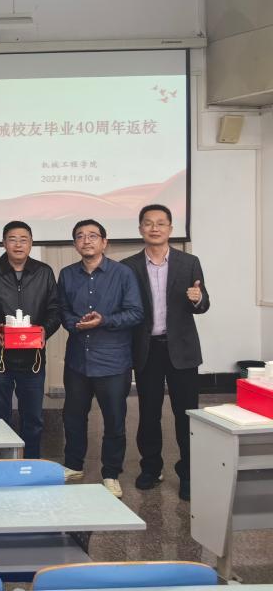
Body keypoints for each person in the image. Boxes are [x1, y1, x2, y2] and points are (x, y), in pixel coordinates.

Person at [123, 204, 210, 501]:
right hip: (147, 349)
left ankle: (188, 474)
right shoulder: (129, 266)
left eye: (161, 223)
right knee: (148, 414)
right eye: (148, 223)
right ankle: (151, 468)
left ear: (171, 229)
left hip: (182, 350)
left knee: (186, 414)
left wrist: (197, 299)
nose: (155, 228)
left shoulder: (189, 262)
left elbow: (203, 303)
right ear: (140, 229)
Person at [57, 220, 144, 498]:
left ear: (104, 242)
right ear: (75, 244)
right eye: (80, 236)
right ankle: (73, 465)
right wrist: (74, 323)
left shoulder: (123, 274)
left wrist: (103, 320)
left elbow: (135, 313)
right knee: (73, 417)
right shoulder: (67, 274)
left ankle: (111, 473)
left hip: (113, 361)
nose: (87, 240)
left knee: (114, 420)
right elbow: (62, 310)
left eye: (93, 236)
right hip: (78, 361)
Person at [0, 221, 60, 458]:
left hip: (33, 359)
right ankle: (2, 463)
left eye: (24, 239)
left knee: (33, 418)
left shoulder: (44, 272)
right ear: (4, 243)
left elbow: (55, 310)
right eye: (13, 239)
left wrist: (44, 330)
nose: (18, 244)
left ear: (31, 243)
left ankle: (30, 462)